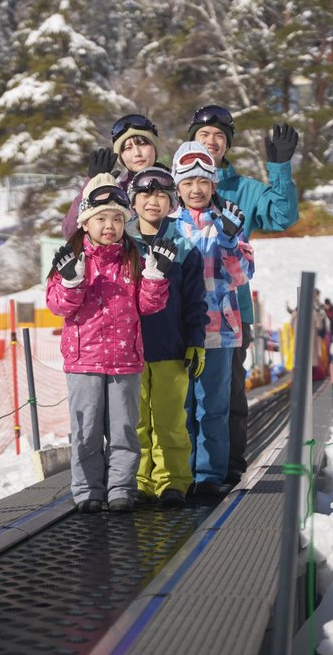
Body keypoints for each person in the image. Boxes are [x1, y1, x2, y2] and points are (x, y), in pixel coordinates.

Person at [46, 172, 170, 514]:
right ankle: (88, 490)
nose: (109, 226)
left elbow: (149, 306)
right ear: (85, 222)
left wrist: (155, 277)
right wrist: (71, 284)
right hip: (84, 361)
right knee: (86, 430)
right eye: (101, 218)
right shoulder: (72, 259)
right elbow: (57, 305)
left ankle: (120, 489)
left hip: (124, 360)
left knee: (124, 430)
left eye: (117, 218)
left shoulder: (133, 257)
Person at [188, 104, 298, 485]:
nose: (212, 141)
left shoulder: (244, 190)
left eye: (219, 136)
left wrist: (280, 169)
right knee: (183, 396)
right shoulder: (176, 185)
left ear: (227, 144)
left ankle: (228, 468)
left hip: (230, 311)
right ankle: (182, 469)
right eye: (204, 135)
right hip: (180, 311)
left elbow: (282, 216)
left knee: (229, 393)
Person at [169, 142, 254, 497]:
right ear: (177, 186)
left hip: (220, 331)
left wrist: (230, 241)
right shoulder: (169, 225)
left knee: (213, 408)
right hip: (179, 332)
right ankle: (181, 474)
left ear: (214, 184)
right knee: (182, 407)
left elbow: (242, 275)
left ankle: (209, 475)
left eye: (203, 181)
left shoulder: (228, 222)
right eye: (188, 182)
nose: (196, 189)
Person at [126, 164, 209, 508]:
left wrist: (195, 341)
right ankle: (138, 480)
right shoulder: (121, 245)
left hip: (170, 347)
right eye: (146, 194)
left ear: (172, 202)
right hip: (128, 352)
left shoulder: (184, 247)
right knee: (135, 422)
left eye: (162, 195)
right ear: (132, 201)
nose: (153, 201)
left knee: (171, 420)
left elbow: (195, 301)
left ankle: (172, 480)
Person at [61, 114, 162, 239]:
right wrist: (92, 184)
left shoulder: (178, 184)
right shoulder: (116, 194)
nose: (137, 153)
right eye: (128, 148)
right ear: (121, 156)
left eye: (142, 144)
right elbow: (71, 233)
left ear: (155, 149)